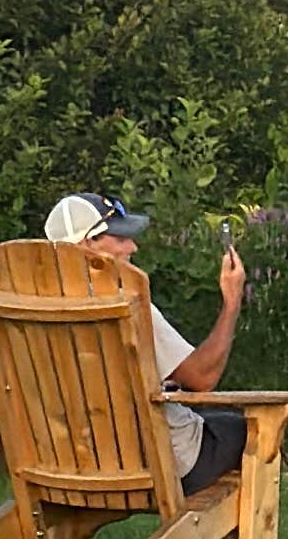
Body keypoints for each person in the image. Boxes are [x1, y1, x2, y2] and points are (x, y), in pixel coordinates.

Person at [43, 193, 255, 485]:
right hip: (150, 460)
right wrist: (232, 301)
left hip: (68, 462)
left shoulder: (29, 308)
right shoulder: (122, 302)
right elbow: (202, 377)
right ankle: (208, 530)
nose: (133, 246)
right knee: (251, 432)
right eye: (120, 238)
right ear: (86, 245)